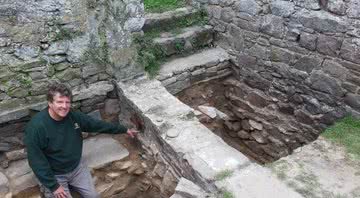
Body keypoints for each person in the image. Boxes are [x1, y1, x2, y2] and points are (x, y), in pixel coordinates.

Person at [24, 83, 138, 198]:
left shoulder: (73, 116)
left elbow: (95, 125)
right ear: (50, 103)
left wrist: (123, 129)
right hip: (55, 174)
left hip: (76, 168)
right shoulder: (37, 127)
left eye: (67, 102)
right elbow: (36, 160)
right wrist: (53, 186)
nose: (64, 106)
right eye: (59, 102)